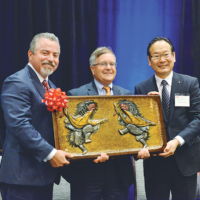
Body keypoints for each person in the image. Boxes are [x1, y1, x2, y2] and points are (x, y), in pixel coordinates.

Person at [61, 47, 149, 200]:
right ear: (92, 69)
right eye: (103, 64)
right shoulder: (76, 95)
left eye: (112, 64)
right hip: (87, 175)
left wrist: (140, 149)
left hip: (119, 174)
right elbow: (74, 134)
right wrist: (91, 154)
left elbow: (130, 129)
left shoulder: (127, 95)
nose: (108, 68)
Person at [0, 33, 73, 200]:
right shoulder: (17, 82)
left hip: (43, 176)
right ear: (30, 54)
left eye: (55, 55)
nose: (51, 59)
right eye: (45, 53)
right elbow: (19, 125)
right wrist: (51, 153)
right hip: (22, 179)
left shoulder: (51, 86)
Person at [134, 36, 200, 200]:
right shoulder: (141, 88)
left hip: (185, 162)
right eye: (156, 56)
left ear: (174, 56)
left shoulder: (190, 83)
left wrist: (177, 140)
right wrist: (150, 107)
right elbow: (139, 124)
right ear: (149, 60)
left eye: (166, 54)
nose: (162, 60)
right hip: (155, 165)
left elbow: (197, 118)